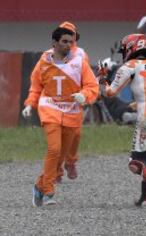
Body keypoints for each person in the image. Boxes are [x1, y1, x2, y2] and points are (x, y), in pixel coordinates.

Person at [22, 27, 99, 207]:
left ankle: (39, 186)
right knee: (54, 149)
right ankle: (48, 191)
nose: (68, 45)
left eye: (71, 42)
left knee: (60, 159)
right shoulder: (43, 62)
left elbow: (92, 86)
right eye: (64, 41)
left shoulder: (80, 62)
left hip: (72, 112)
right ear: (54, 43)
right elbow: (36, 87)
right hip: (50, 108)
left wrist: (84, 96)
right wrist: (29, 104)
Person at [101, 33, 146, 209]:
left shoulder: (130, 66)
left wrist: (102, 76)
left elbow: (109, 92)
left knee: (135, 162)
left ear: (131, 48)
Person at [42, 21, 90, 184]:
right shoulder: (49, 54)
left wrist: (86, 93)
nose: (69, 39)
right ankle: (56, 172)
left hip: (74, 101)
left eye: (72, 34)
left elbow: (87, 75)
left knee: (75, 135)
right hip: (55, 103)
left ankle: (70, 162)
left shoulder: (81, 54)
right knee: (56, 143)